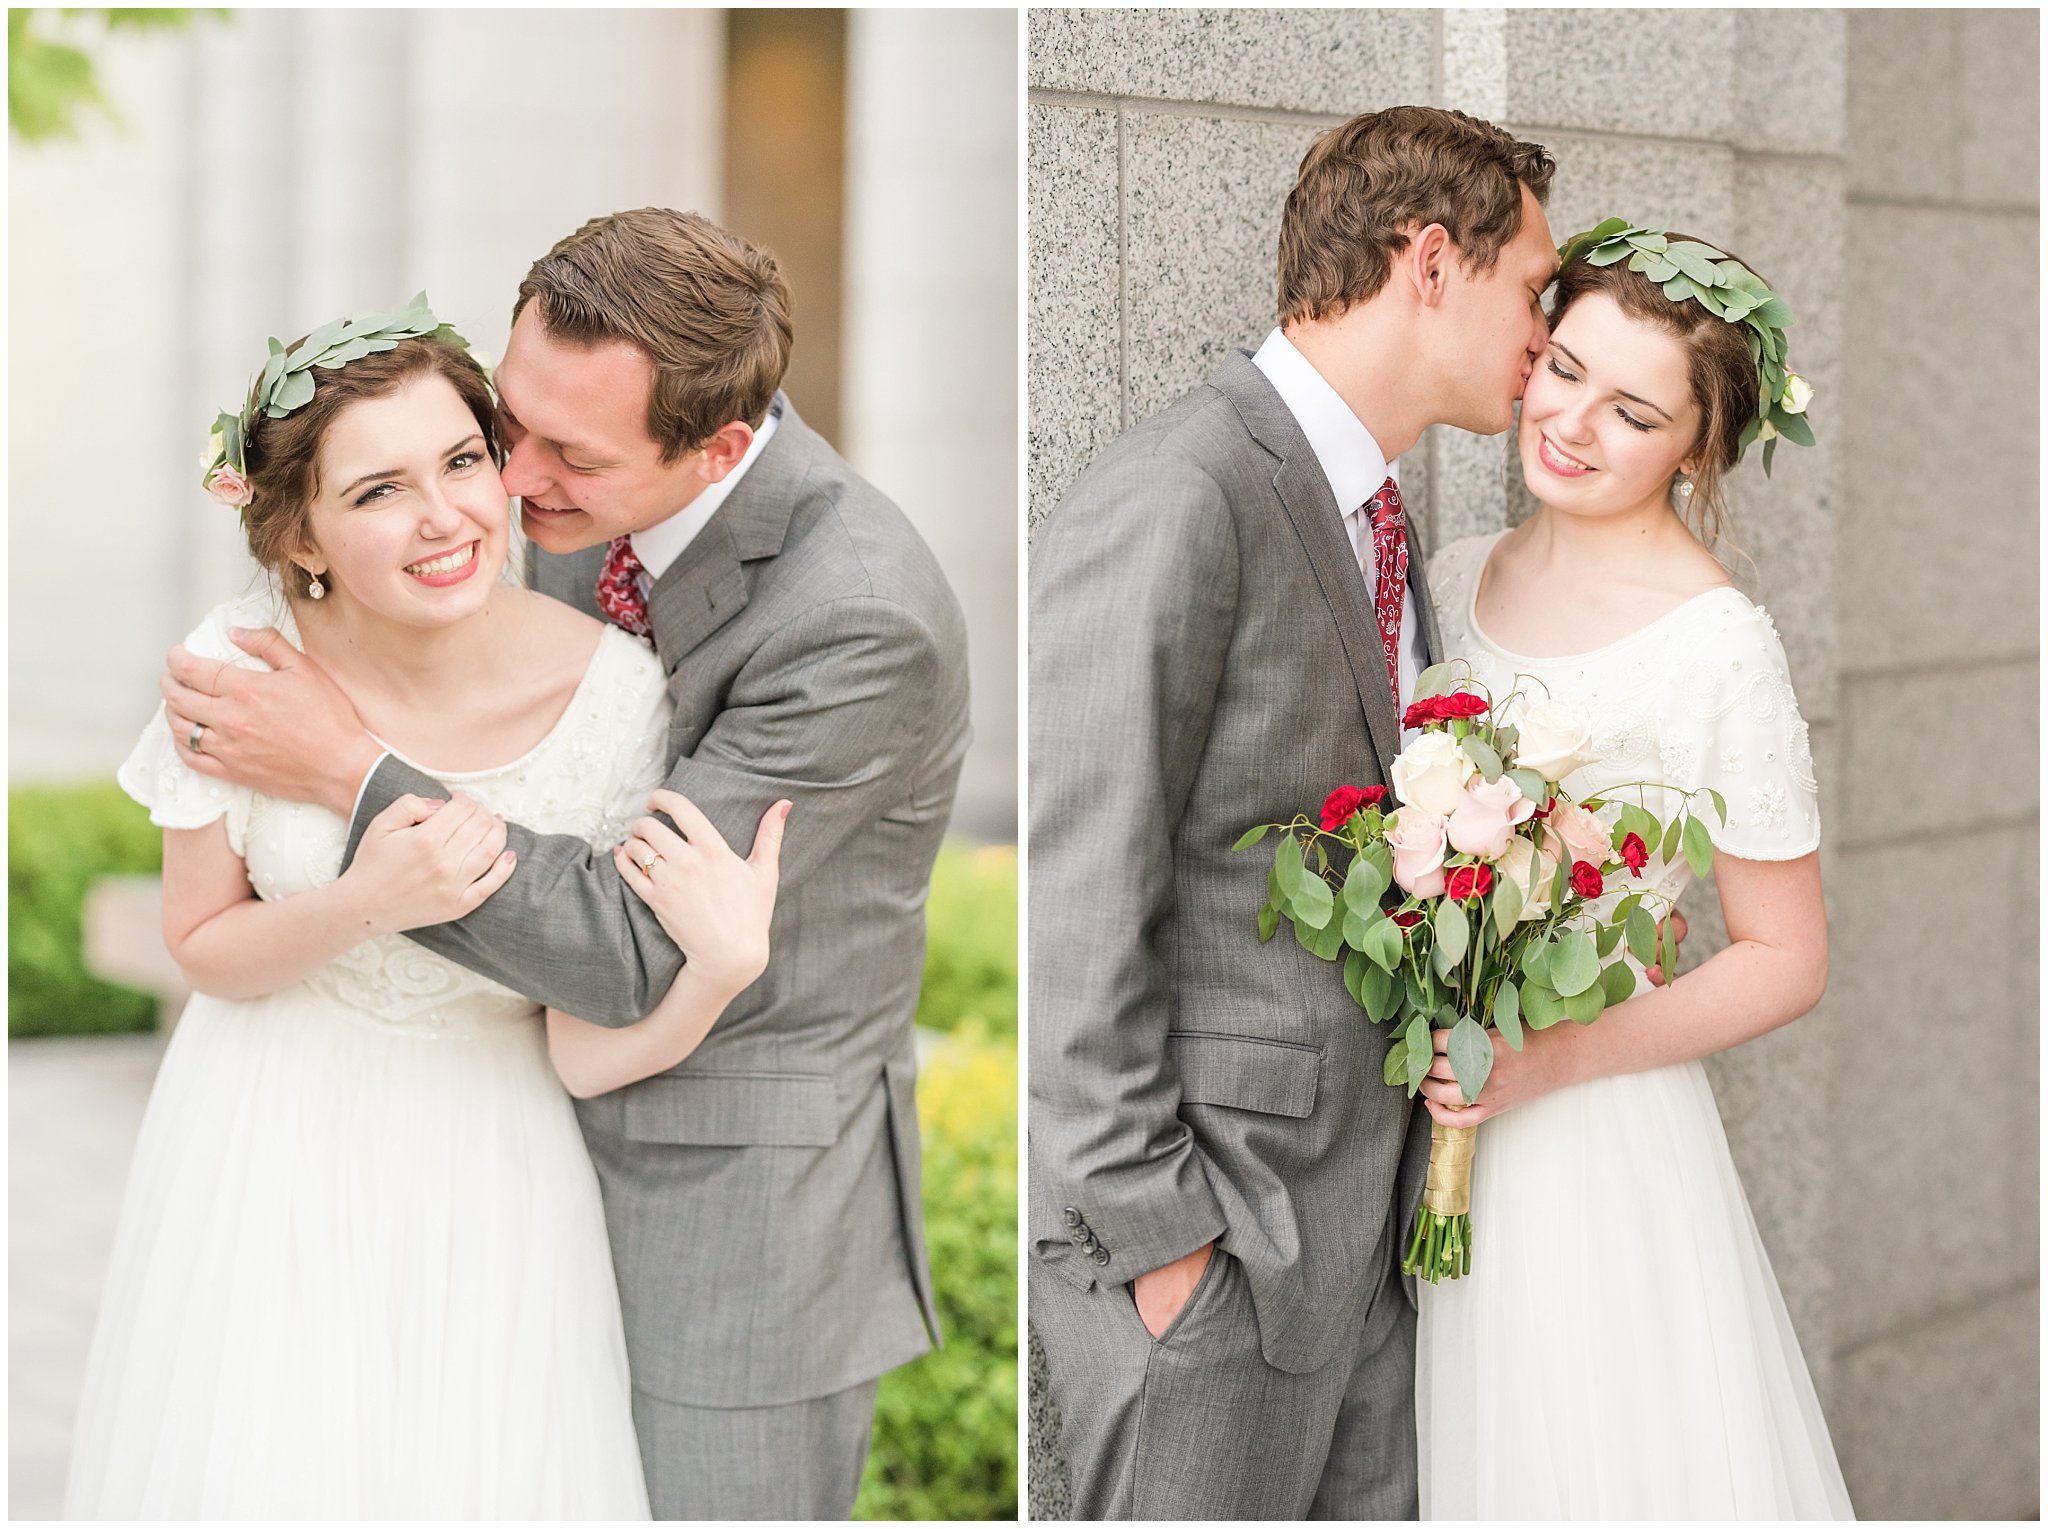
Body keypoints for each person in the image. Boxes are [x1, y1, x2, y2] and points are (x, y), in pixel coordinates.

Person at [158, 211, 970, 1520]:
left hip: (732, 1214)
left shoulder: (857, 612)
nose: (513, 482)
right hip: (469, 1174)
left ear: (714, 448)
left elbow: (625, 941)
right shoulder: (553, 492)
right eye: (506, 420)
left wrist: (344, 771)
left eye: (565, 454)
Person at [67, 309, 788, 1518]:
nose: (446, 515)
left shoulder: (613, 690)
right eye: (380, 489)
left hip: (492, 1168)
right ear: (302, 532)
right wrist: (363, 902)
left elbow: (577, 1040)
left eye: (462, 461)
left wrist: (716, 971)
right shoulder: (237, 666)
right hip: (265, 1143)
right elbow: (201, 946)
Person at [1028, 106, 1563, 1519]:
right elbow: (1073, 891)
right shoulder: (1179, 491)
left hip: (1361, 1249)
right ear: (1432, 260)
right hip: (1216, 1261)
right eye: (1533, 287)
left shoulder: (1376, 515)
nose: (1545, 330)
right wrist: (1163, 1249)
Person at [1415, 224, 1853, 1518]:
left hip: (1595, 1123)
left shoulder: (1717, 646)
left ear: (1696, 449)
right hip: (1449, 1108)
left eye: (1632, 411)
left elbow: (1788, 955)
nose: (1572, 423)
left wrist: (1556, 1058)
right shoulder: (1456, 572)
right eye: (1561, 369)